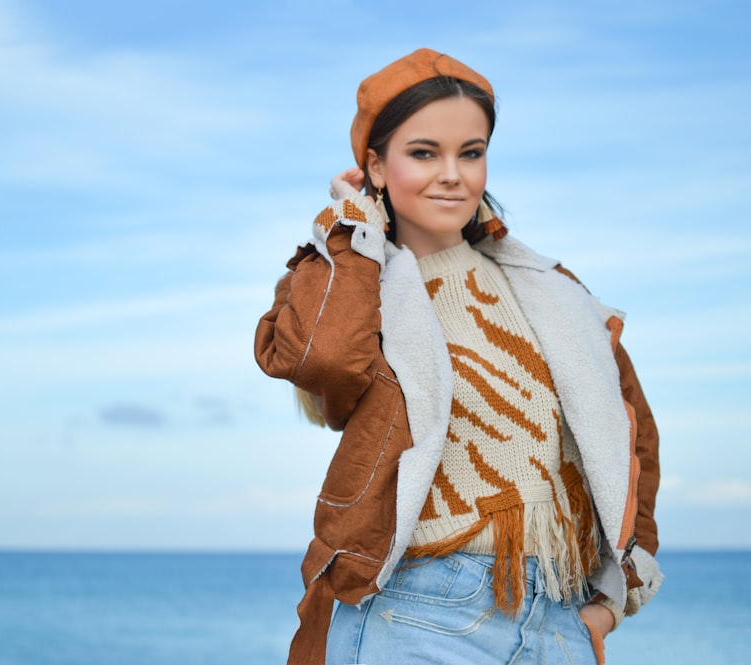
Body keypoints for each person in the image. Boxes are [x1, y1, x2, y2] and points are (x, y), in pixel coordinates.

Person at [254, 48, 662, 665]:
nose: (453, 173)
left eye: (470, 153)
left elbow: (632, 440)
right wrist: (351, 226)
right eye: (423, 153)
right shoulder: (359, 279)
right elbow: (326, 361)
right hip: (418, 610)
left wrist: (614, 597)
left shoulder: (550, 290)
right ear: (376, 166)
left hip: (557, 616)